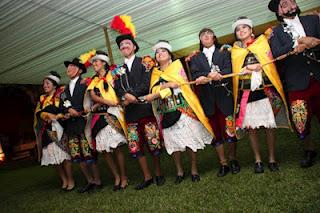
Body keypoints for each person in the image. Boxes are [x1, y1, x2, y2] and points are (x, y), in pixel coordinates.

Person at [144, 40, 213, 183]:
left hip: (183, 109)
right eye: (157, 52)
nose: (159, 54)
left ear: (169, 55)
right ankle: (179, 171)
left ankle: (194, 169)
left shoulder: (177, 66)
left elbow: (179, 84)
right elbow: (153, 90)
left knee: (190, 141)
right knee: (173, 143)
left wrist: (164, 87)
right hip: (166, 110)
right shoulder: (155, 73)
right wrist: (167, 87)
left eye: (163, 51)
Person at [231, 17, 291, 173]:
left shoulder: (262, 43)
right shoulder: (235, 51)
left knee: (269, 126)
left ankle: (272, 158)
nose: (241, 31)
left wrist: (256, 66)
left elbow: (269, 62)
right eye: (238, 29)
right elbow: (235, 72)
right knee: (252, 128)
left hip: (265, 90)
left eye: (245, 27)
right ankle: (257, 159)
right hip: (246, 93)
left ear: (251, 30)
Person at [268, 0, 320, 168]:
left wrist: (315, 42)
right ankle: (309, 149)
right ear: (279, 11)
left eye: (292, 1)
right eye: (284, 4)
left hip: (318, 75)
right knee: (301, 119)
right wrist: (296, 43)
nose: (290, 5)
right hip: (297, 83)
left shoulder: (313, 20)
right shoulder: (275, 33)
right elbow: (276, 53)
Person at [114, 34, 165, 190]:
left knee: (153, 143)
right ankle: (147, 177)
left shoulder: (145, 62)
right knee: (135, 146)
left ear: (134, 46)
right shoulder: (117, 70)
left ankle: (158, 174)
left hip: (146, 109)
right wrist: (125, 97)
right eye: (121, 45)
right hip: (130, 113)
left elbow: (146, 82)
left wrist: (131, 96)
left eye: (127, 43)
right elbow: (117, 88)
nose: (124, 46)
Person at [189, 28, 240, 177]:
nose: (205, 36)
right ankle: (223, 163)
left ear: (214, 37)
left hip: (224, 96)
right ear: (200, 40)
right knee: (216, 133)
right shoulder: (195, 58)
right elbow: (195, 73)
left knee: (230, 130)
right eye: (202, 35)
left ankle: (233, 159)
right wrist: (207, 75)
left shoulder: (224, 51)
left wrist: (220, 75)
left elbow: (230, 68)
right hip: (208, 100)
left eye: (208, 34)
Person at [86, 50, 128, 191]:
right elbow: (93, 95)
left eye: (96, 61)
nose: (94, 64)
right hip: (99, 116)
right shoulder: (94, 80)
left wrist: (112, 102)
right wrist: (105, 101)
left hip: (113, 113)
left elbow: (121, 89)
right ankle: (116, 176)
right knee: (104, 150)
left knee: (116, 147)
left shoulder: (113, 74)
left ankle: (123, 177)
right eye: (93, 63)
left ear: (104, 62)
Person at [61, 58, 102, 192]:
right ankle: (89, 181)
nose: (69, 69)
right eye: (68, 67)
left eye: (72, 66)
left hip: (84, 122)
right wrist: (68, 110)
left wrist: (87, 110)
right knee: (77, 155)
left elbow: (95, 97)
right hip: (71, 126)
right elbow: (64, 102)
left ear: (79, 70)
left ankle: (97, 181)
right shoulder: (65, 88)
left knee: (89, 153)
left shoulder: (86, 83)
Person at [34, 71, 74, 191]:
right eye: (44, 84)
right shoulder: (42, 99)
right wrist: (46, 115)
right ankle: (64, 180)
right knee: (54, 158)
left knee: (64, 156)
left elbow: (67, 108)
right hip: (48, 131)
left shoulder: (61, 95)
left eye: (47, 83)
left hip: (60, 128)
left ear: (54, 84)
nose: (45, 86)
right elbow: (38, 113)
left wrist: (58, 116)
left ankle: (71, 180)